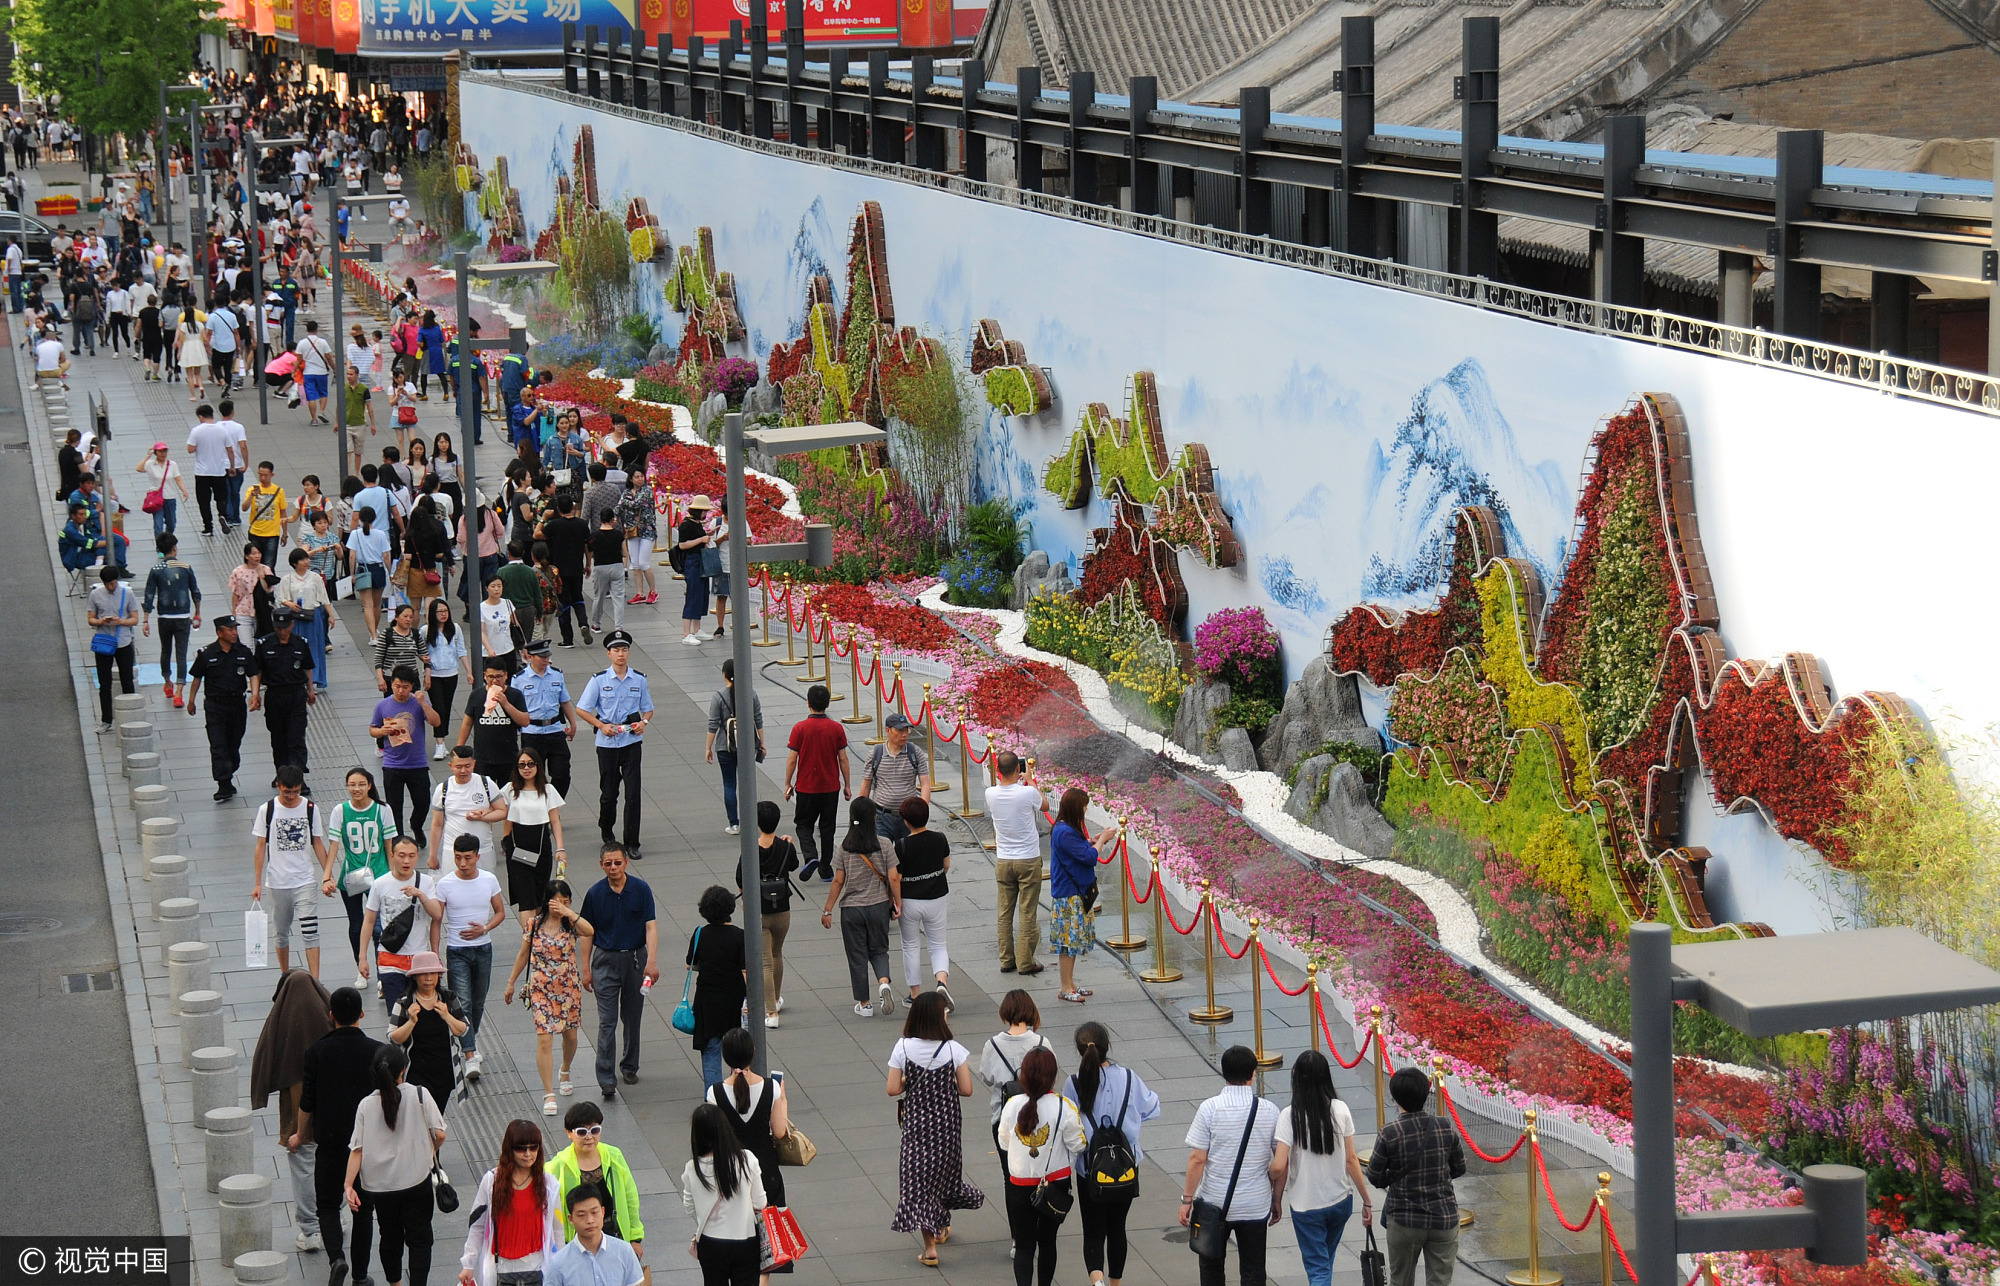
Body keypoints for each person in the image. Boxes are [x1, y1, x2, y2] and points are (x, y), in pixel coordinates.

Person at [887, 992, 984, 1268]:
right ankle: (941, 1226)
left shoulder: (903, 1048)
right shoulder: (953, 1049)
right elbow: (967, 1089)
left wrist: (909, 1080)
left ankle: (930, 1246)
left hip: (917, 1127)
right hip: (947, 1127)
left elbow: (892, 1088)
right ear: (937, 1017)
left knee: (917, 1183)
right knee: (943, 1176)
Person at [297, 987, 385, 1282]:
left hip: (331, 1142)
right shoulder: (376, 1052)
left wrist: (299, 1135)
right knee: (363, 1209)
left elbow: (307, 1102)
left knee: (326, 1205)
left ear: (331, 1015)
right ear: (361, 1013)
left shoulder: (316, 1052)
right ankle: (361, 1276)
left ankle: (336, 1258)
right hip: (365, 1145)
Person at [1066, 1023, 1163, 1286]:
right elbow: (1153, 1108)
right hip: (1126, 1167)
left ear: (1080, 1052)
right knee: (1117, 1228)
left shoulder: (1073, 1084)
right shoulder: (1130, 1078)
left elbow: (1068, 1124)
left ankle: (1095, 1280)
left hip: (1090, 1168)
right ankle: (1115, 1283)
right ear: (1108, 1047)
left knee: (1093, 1230)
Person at [344, 1045, 447, 1286]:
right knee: (420, 1239)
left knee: (390, 1238)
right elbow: (440, 1134)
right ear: (404, 1069)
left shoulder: (366, 1106)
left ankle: (395, 1284)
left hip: (380, 1186)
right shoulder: (420, 1095)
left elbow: (357, 1149)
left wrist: (348, 1185)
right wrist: (428, 1151)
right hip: (416, 1180)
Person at [1180, 1046, 1282, 1286]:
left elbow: (1197, 1159)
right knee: (1253, 1270)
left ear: (1223, 1071)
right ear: (1253, 1074)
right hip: (1255, 1204)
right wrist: (1276, 1199)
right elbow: (1281, 1161)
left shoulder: (1209, 1108)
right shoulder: (1269, 1111)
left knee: (1211, 1267)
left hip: (1214, 1202)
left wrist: (1187, 1200)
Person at [1274, 1050, 1373, 1286]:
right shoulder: (1340, 1109)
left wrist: (1275, 1197)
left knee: (1317, 1268)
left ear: (1296, 1078)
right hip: (1340, 1200)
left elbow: (1280, 1165)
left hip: (1306, 1205)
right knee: (1325, 1260)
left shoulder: (1290, 1116)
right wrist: (1366, 1199)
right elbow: (1351, 1160)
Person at [252, 969, 333, 1253]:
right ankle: (337, 1218)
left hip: (297, 1112)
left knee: (302, 1165)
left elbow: (264, 1056)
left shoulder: (281, 1019)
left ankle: (310, 1231)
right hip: (334, 1112)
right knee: (335, 1160)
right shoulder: (328, 1015)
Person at [1367, 1067, 1466, 1286]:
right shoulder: (1444, 1126)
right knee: (1440, 1281)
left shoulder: (1390, 1132)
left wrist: (1392, 1177)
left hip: (1404, 1220)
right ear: (1425, 1093)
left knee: (1400, 1280)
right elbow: (1459, 1168)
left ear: (1395, 1099)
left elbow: (1374, 1175)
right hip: (1443, 1218)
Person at [502, 880, 593, 1116]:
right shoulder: (533, 924)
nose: (561, 905)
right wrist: (511, 982)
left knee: (570, 1037)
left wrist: (569, 913)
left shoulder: (571, 924)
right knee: (544, 1040)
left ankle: (565, 1068)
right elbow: (524, 954)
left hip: (567, 989)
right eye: (557, 901)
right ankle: (548, 1092)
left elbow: (590, 931)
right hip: (541, 990)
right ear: (547, 900)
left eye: (566, 901)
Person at [705, 1029, 791, 1270]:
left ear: (725, 1057)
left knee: (738, 1242)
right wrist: (783, 1098)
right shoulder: (771, 1088)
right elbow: (780, 1132)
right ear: (752, 1052)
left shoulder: (715, 1094)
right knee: (768, 1249)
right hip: (766, 1172)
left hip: (730, 1174)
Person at [580, 845, 657, 1099]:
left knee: (633, 1017)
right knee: (607, 1021)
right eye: (608, 864)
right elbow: (586, 933)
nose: (613, 868)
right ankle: (606, 1077)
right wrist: (586, 968)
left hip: (635, 958)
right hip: (605, 960)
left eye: (617, 863)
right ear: (601, 865)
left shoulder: (641, 889)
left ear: (626, 862)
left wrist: (652, 961)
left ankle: (629, 1065)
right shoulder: (595, 894)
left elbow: (650, 927)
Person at [457, 1120, 565, 1286]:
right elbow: (477, 1224)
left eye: (533, 1147)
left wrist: (560, 1265)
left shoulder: (548, 1184)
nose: (528, 1154)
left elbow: (557, 1228)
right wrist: (468, 1264)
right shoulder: (492, 1181)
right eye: (521, 1148)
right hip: (501, 1268)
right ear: (510, 1149)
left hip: (537, 1267)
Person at [252, 764, 336, 976]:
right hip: (278, 882)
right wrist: (258, 882)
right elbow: (261, 846)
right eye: (286, 791)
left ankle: (314, 980)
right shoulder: (267, 810)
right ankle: (285, 975)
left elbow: (317, 842)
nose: (291, 796)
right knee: (281, 932)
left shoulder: (310, 809)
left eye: (296, 791)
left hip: (304, 880)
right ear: (278, 786)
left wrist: (327, 876)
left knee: (310, 931)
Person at [574, 632, 653, 859]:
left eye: (624, 650)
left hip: (631, 742)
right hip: (607, 742)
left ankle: (632, 841)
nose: (621, 654)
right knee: (609, 793)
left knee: (633, 793)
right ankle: (607, 831)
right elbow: (582, 708)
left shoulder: (639, 679)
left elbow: (648, 708)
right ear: (609, 654)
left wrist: (643, 722)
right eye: (616, 650)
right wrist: (600, 725)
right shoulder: (599, 680)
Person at [436, 835, 506, 1082]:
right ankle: (470, 1056)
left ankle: (469, 1040)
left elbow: (500, 912)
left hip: (483, 948)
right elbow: (437, 920)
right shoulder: (445, 883)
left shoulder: (488, 879)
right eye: (457, 858)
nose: (462, 863)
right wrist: (435, 954)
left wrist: (484, 928)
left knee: (478, 1001)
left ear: (477, 856)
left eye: (467, 858)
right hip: (456, 950)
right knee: (462, 1002)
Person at [821, 797, 898, 1019]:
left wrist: (827, 910)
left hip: (852, 909)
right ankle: (884, 983)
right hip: (878, 906)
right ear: (874, 817)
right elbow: (893, 877)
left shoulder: (844, 847)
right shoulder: (884, 844)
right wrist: (896, 903)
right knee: (879, 950)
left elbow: (837, 881)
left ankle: (865, 1004)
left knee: (857, 955)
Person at [682, 1102, 769, 1286]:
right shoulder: (747, 1159)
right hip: (745, 1240)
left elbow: (689, 1206)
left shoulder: (692, 1168)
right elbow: (760, 1203)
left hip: (710, 1243)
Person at [358, 835, 445, 1011]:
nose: (407, 861)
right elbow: (368, 920)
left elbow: (437, 915)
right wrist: (362, 957)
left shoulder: (426, 882)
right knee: (397, 1014)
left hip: (419, 958)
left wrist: (420, 895)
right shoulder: (380, 884)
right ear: (392, 855)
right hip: (390, 958)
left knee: (422, 1013)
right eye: (401, 855)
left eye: (412, 856)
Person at [334, 767, 400, 987]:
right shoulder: (340, 811)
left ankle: (383, 972)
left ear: (369, 785)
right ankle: (361, 969)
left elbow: (390, 845)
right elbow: (333, 845)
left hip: (379, 875)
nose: (357, 788)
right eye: (352, 784)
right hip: (351, 877)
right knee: (356, 924)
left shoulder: (382, 810)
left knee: (380, 926)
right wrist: (327, 876)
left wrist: (393, 876)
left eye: (361, 784)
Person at [550, 1102, 646, 1250]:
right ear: (569, 1133)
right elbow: (551, 1209)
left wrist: (635, 1238)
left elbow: (630, 1197)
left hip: (614, 1235)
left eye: (594, 1130)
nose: (589, 1137)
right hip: (576, 1241)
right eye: (582, 1132)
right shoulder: (558, 1166)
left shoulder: (614, 1156)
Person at [980, 991, 1054, 1180]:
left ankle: (1015, 1209)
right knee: (1039, 1172)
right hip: (1039, 1116)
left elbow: (987, 1077)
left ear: (1005, 1012)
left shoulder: (992, 1045)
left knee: (1010, 1176)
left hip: (1003, 1117)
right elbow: (1052, 1077)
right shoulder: (1042, 1042)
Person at [1049, 787, 1113, 1004]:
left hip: (1072, 893)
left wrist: (1093, 840)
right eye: (1084, 805)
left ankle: (1071, 983)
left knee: (1072, 942)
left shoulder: (1064, 828)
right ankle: (1065, 987)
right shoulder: (1065, 831)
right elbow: (1088, 858)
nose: (1086, 809)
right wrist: (1101, 841)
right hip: (1069, 895)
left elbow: (1079, 850)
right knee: (1068, 943)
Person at [738, 801, 798, 1027]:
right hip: (783, 908)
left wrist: (745, 899)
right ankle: (776, 998)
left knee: (764, 961)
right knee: (777, 953)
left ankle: (771, 1012)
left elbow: (740, 877)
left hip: (760, 910)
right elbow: (793, 865)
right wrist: (789, 844)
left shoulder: (750, 848)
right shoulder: (785, 846)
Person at [185, 615, 257, 801]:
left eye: (235, 629)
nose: (235, 632)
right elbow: (197, 678)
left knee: (233, 743)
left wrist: (255, 694)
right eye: (230, 629)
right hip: (215, 705)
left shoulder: (243, 652)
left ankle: (230, 767)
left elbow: (253, 674)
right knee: (218, 745)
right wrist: (191, 700)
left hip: (236, 705)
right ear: (219, 633)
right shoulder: (207, 653)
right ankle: (223, 784)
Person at [782, 684, 850, 881]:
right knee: (828, 828)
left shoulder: (800, 728)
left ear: (808, 703)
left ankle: (811, 856)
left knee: (803, 825)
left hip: (806, 787)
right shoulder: (836, 728)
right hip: (830, 787)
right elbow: (843, 759)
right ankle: (826, 868)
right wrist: (847, 784)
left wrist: (787, 783)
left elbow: (792, 759)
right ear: (827, 704)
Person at [388, 949, 468, 1114]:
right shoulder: (404, 1002)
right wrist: (411, 1021)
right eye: (424, 974)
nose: (429, 978)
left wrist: (447, 1016)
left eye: (433, 973)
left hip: (444, 1071)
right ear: (415, 977)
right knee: (420, 1119)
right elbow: (394, 1037)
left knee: (436, 1118)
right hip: (416, 1073)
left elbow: (463, 1029)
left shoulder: (448, 998)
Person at [892, 798, 953, 1010]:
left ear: (906, 821)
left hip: (910, 900)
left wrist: (896, 903)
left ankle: (915, 994)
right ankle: (941, 983)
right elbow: (946, 866)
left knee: (910, 946)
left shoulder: (901, 845)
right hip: (936, 896)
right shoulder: (940, 838)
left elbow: (896, 877)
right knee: (938, 944)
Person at [685, 886, 748, 1089]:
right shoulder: (740, 936)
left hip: (707, 1001)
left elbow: (690, 964)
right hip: (734, 999)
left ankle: (713, 1096)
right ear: (729, 908)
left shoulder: (700, 933)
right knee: (737, 1049)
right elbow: (745, 971)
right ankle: (736, 1090)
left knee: (711, 1050)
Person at [500, 747, 567, 925]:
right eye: (522, 765)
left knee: (539, 896)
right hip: (517, 846)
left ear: (538, 766)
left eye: (531, 764)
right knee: (526, 899)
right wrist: (504, 839)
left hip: (541, 845)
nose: (526, 768)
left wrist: (560, 848)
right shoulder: (509, 789)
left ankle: (537, 940)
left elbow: (555, 821)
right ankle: (528, 941)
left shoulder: (548, 790)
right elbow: (502, 814)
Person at [703, 657, 764, 836]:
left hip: (725, 746)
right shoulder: (750, 693)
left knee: (729, 784)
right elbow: (758, 719)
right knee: (748, 783)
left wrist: (708, 747)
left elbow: (713, 724)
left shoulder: (719, 696)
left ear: (725, 675)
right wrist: (761, 743)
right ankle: (751, 820)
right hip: (747, 745)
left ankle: (734, 823)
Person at [254, 605, 318, 773]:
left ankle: (297, 776)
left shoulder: (300, 643)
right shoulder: (264, 644)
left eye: (285, 627)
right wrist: (255, 694)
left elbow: (307, 668)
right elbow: (257, 671)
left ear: (292, 625)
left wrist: (310, 690)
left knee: (296, 738)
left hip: (296, 694)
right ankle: (282, 774)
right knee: (278, 738)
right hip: (274, 695)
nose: (281, 631)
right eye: (278, 628)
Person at [142, 533, 202, 708]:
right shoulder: (186, 567)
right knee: (181, 654)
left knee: (165, 650)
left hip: (164, 617)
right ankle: (179, 692)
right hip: (183, 617)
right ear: (175, 548)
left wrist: (145, 620)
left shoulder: (155, 570)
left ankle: (167, 682)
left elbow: (149, 595)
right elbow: (195, 592)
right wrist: (197, 613)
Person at [454, 658, 531, 791]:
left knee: (509, 796)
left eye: (499, 677)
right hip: (483, 758)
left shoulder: (515, 695)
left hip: (508, 757)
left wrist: (505, 703)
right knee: (483, 794)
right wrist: (459, 749)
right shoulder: (477, 695)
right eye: (490, 677)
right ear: (485, 676)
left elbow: (525, 721)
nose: (495, 681)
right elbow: (467, 722)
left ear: (506, 675)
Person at [428, 745, 508, 871]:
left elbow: (502, 811)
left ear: (474, 764)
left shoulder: (486, 783)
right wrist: (433, 855)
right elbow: (437, 824)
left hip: (483, 849)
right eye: (458, 767)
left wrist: (483, 816)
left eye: (467, 766)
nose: (463, 771)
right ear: (451, 766)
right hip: (453, 851)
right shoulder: (443, 789)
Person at [546, 1187, 643, 1286]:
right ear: (571, 1219)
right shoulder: (558, 1263)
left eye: (594, 1212)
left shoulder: (624, 1251)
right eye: (581, 1215)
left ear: (603, 1212)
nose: (590, 1220)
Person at [514, 639, 575, 797]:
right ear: (531, 657)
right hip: (531, 733)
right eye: (542, 657)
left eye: (547, 656)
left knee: (562, 773)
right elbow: (514, 708)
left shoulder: (556, 674)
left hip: (554, 730)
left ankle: (553, 803)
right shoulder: (519, 679)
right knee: (534, 776)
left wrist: (572, 724)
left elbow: (564, 701)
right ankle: (539, 809)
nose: (546, 660)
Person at [859, 713, 929, 844]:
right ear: (888, 730)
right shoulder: (875, 754)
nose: (904, 735)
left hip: (908, 818)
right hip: (881, 816)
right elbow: (866, 784)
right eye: (899, 730)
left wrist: (922, 811)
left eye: (906, 730)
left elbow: (925, 784)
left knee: (907, 856)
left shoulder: (915, 752)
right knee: (882, 855)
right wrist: (860, 815)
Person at [86, 565, 140, 734]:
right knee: (104, 683)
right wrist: (101, 622)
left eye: (113, 583)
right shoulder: (95, 595)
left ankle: (131, 716)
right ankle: (106, 719)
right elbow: (90, 619)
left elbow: (135, 619)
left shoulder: (127, 593)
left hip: (123, 641)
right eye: (108, 584)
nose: (111, 586)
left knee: (127, 680)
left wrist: (121, 622)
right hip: (104, 642)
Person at [542, 495, 592, 648]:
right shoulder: (582, 525)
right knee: (578, 598)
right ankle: (583, 623)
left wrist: (544, 519)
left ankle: (568, 639)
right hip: (576, 568)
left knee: (563, 603)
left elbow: (539, 535)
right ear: (573, 507)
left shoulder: (553, 525)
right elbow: (587, 547)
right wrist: (588, 564)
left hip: (559, 571)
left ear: (558, 509)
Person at [424, 600, 469, 762]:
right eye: (439, 611)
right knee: (438, 708)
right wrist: (426, 671)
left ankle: (442, 739)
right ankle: (439, 743)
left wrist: (469, 672)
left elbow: (461, 651)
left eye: (445, 611)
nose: (443, 614)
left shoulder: (455, 629)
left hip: (451, 674)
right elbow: (422, 652)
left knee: (447, 708)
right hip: (434, 675)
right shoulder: (425, 631)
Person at [347, 504, 391, 639]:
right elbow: (386, 556)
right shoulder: (381, 534)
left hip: (362, 569)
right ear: (374, 518)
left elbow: (352, 555)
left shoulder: (355, 534)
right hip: (378, 569)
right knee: (377, 604)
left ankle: (373, 635)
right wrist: (390, 573)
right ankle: (375, 630)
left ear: (359, 518)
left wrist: (352, 574)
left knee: (367, 605)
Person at [615, 470, 657, 607]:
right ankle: (640, 593)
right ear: (631, 479)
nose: (640, 479)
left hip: (647, 530)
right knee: (635, 564)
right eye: (637, 477)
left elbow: (635, 504)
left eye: (641, 476)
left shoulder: (647, 491)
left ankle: (653, 591)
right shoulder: (627, 492)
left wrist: (624, 503)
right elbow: (618, 507)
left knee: (644, 562)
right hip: (632, 531)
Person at [674, 495, 711, 643]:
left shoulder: (696, 523)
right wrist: (701, 540)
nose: (705, 514)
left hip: (700, 560)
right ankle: (686, 632)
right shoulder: (686, 525)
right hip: (692, 561)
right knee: (693, 594)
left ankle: (697, 629)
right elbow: (682, 545)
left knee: (701, 593)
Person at [586, 504, 628, 634]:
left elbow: (590, 552)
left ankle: (596, 624)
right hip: (616, 566)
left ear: (600, 520)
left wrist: (588, 564)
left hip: (600, 567)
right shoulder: (618, 535)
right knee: (618, 597)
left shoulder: (594, 535)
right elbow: (625, 553)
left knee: (599, 597)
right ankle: (618, 626)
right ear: (612, 519)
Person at [137, 441, 189, 537]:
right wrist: (148, 456)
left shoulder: (172, 464)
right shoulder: (150, 464)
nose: (163, 454)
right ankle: (160, 548)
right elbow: (139, 468)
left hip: (170, 497)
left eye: (165, 451)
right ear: (155, 452)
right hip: (156, 498)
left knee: (171, 523)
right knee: (158, 525)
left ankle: (167, 542)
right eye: (160, 451)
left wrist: (184, 490)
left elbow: (178, 479)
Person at [243, 459, 290, 567]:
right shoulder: (252, 490)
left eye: (266, 475)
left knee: (269, 565)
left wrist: (285, 533)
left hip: (272, 534)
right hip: (256, 533)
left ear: (272, 475)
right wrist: (252, 495)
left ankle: (267, 583)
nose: (263, 478)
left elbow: (283, 513)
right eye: (260, 475)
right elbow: (244, 508)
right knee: (254, 564)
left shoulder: (278, 491)